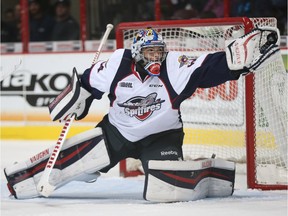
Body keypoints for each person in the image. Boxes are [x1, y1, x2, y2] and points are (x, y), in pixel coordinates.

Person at [4, 27, 279, 202]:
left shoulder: (175, 66)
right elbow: (87, 81)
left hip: (162, 138)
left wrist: (235, 60)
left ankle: (211, 174)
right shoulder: (117, 64)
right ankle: (21, 179)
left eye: (159, 51)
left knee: (164, 189)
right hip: (116, 133)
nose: (156, 57)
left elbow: (208, 68)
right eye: (150, 52)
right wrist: (78, 98)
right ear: (137, 53)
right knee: (70, 164)